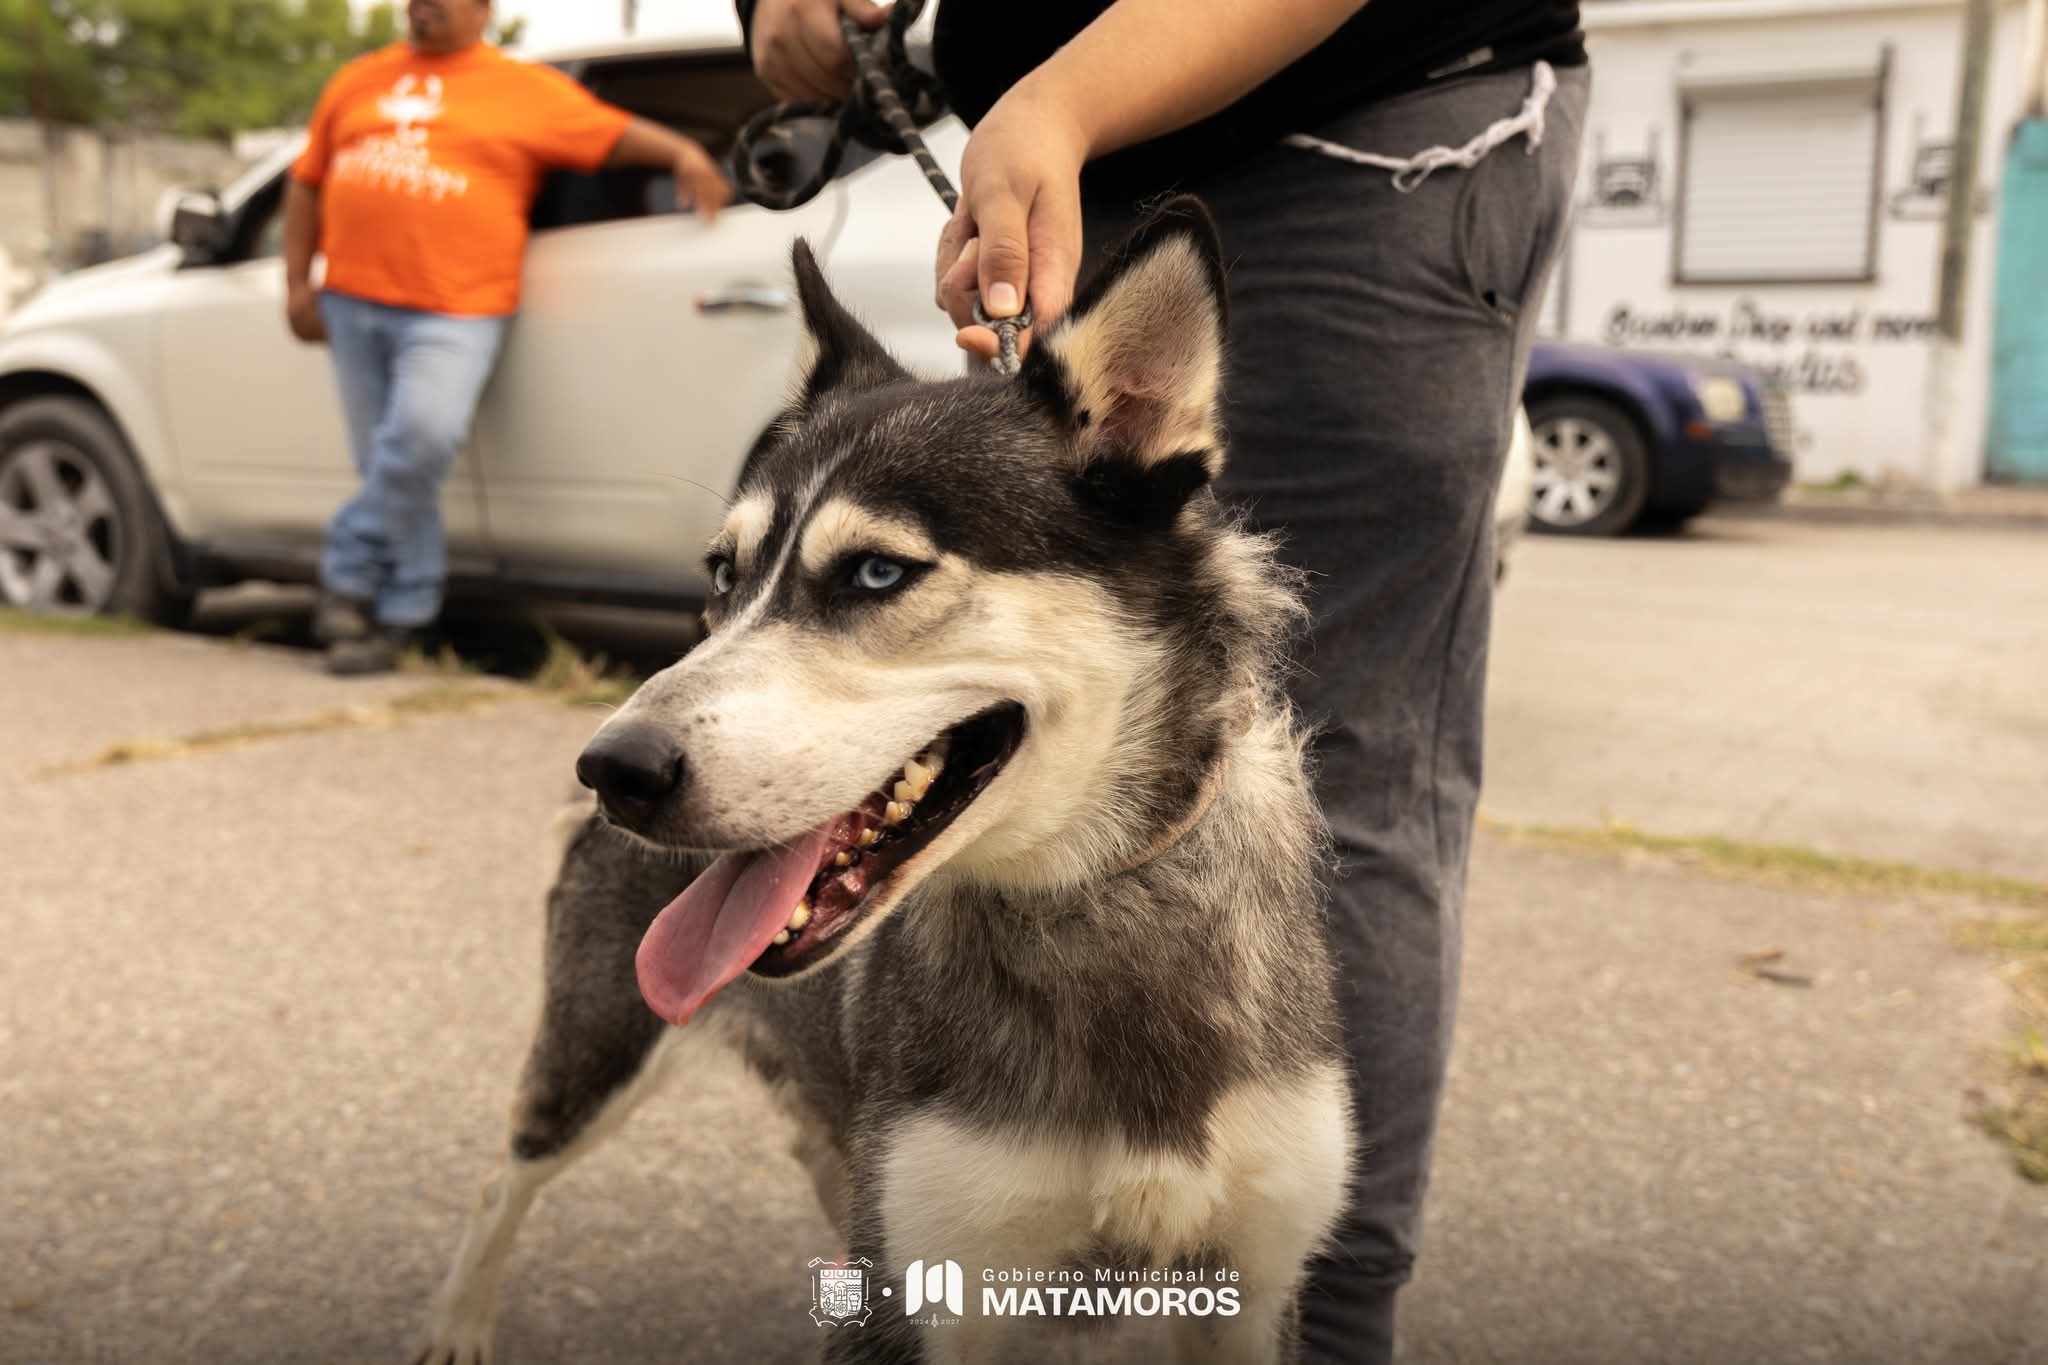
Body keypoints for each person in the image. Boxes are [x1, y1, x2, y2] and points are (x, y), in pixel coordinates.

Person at [742, 1, 1588, 1359]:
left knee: (1339, 766)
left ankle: (1313, 1314)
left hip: (1361, 137)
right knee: (1028, 759)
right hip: (1096, 158)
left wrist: (1059, 100)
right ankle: (962, 1230)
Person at [285, 0, 732, 675]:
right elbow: (305, 183)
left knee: (419, 442)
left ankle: (347, 572)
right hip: (353, 300)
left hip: (456, 308)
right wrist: (297, 283)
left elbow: (611, 134)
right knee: (395, 468)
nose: (422, 5)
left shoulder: (522, 88)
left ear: (483, 8)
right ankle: (396, 620)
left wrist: (682, 152)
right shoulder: (357, 79)